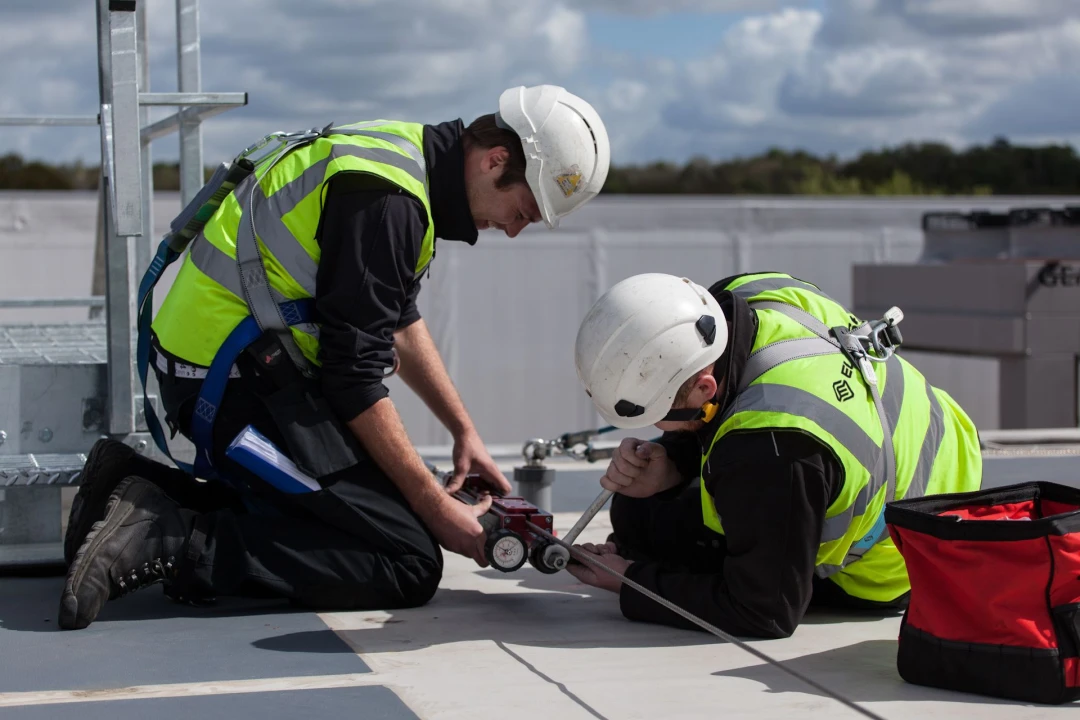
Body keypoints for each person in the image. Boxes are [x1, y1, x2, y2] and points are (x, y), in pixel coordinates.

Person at [59, 85, 610, 631]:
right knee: (406, 559)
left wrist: (463, 431)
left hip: (237, 367)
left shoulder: (401, 160)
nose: (513, 230)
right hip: (228, 384)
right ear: (496, 161)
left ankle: (129, 482)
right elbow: (353, 381)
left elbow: (398, 319)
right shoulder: (389, 202)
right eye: (524, 210)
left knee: (390, 511)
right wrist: (436, 509)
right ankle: (168, 538)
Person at [566, 271, 982, 639]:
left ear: (705, 389)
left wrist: (629, 580)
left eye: (659, 416)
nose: (655, 429)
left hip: (902, 560)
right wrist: (672, 465)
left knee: (645, 527)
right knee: (639, 505)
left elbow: (764, 611)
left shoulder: (771, 446)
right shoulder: (748, 294)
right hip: (939, 451)